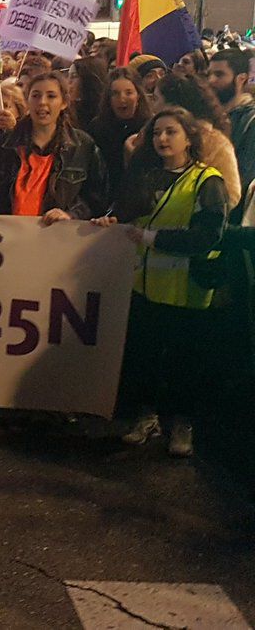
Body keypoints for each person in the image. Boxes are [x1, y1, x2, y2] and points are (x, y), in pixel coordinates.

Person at [96, 108, 228, 457]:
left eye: (171, 132)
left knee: (185, 361)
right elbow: (126, 214)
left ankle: (183, 425)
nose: (162, 139)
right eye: (156, 133)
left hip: (188, 289)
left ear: (189, 137)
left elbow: (208, 236)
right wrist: (110, 220)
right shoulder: (147, 176)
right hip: (147, 286)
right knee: (145, 357)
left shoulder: (207, 181)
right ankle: (147, 418)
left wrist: (152, 239)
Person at [0, 72, 108, 224]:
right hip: (7, 238)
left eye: (51, 96)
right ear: (27, 101)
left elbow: (96, 198)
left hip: (57, 239)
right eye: (36, 96)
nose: (42, 102)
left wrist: (71, 214)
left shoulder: (82, 146)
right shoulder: (3, 145)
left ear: (64, 102)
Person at [147, 73, 242, 209]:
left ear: (174, 106)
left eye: (156, 99)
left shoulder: (216, 143)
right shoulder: (152, 135)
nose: (152, 106)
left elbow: (231, 194)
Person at [88, 67, 151, 199]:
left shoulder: (150, 126)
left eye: (128, 93)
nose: (122, 99)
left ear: (138, 95)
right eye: (115, 93)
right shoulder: (98, 126)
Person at [206, 49, 255, 196]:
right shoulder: (209, 116)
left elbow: (244, 176)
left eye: (219, 74)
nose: (211, 80)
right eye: (209, 74)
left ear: (241, 79)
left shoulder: (250, 120)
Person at [70, 57, 108, 130]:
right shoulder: (67, 114)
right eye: (68, 76)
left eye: (74, 76)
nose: (68, 81)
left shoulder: (103, 119)